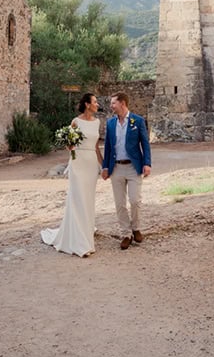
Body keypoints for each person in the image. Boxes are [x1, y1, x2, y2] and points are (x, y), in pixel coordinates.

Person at [41, 93, 102, 257]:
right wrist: (69, 144)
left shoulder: (97, 122)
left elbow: (96, 146)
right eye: (95, 102)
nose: (97, 104)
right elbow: (69, 146)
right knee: (77, 198)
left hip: (91, 164)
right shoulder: (76, 121)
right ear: (87, 104)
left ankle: (86, 230)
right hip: (78, 162)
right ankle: (80, 241)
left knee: (88, 198)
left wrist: (103, 165)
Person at [101, 92, 151, 250]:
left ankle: (136, 228)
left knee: (135, 200)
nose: (111, 106)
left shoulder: (138, 121)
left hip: (133, 167)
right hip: (116, 168)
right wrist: (105, 167)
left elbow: (145, 144)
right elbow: (108, 147)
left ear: (122, 103)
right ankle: (126, 234)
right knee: (120, 203)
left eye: (113, 103)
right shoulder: (110, 123)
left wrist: (147, 163)